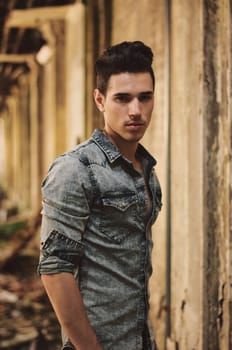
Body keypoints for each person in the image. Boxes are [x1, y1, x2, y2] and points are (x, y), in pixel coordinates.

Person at [37, 40, 162, 350]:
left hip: (139, 338)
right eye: (122, 98)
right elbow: (55, 270)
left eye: (144, 98)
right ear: (100, 100)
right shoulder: (75, 169)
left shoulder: (146, 169)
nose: (136, 111)